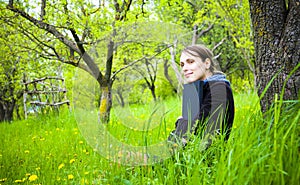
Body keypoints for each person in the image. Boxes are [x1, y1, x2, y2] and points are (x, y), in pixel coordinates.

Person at [167, 44, 235, 149]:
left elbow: (203, 128)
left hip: (209, 158)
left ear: (207, 63)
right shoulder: (195, 89)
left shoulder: (219, 88)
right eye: (182, 64)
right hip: (186, 154)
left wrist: (181, 121)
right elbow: (183, 135)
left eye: (190, 62)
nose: (184, 68)